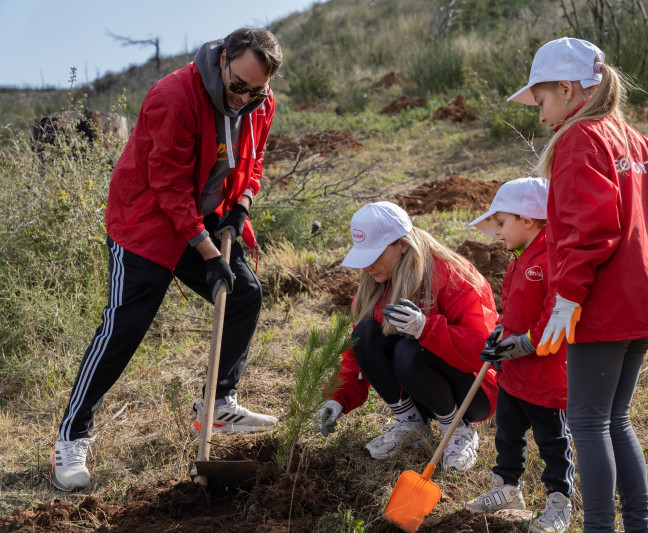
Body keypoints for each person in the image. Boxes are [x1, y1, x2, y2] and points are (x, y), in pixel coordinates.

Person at [52, 28, 283, 491]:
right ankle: (71, 437)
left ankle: (217, 404)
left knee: (244, 295)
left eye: (256, 90)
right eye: (239, 86)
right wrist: (207, 251)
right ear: (223, 60)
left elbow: (252, 162)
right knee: (125, 327)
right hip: (147, 223)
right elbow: (168, 185)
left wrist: (241, 208)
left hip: (203, 214)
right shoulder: (173, 96)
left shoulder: (260, 99)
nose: (245, 99)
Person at [508, 38, 648, 531]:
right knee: (616, 419)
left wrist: (566, 298)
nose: (540, 113)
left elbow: (586, 231)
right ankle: (639, 525)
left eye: (543, 99)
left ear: (568, 90)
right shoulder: (636, 140)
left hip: (602, 306)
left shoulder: (580, 140)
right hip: (645, 306)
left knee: (589, 423)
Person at [314, 201, 499, 471]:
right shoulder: (374, 286)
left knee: (408, 350)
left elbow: (482, 351)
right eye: (363, 256)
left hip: (472, 393)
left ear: (402, 243)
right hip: (419, 390)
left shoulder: (454, 275)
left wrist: (427, 329)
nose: (367, 266)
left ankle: (458, 430)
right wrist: (337, 398)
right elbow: (357, 355)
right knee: (365, 333)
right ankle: (411, 423)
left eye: (375, 255)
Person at [465, 178, 574, 533]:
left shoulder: (553, 259)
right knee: (507, 433)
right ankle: (507, 488)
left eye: (501, 222)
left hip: (546, 377)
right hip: (513, 375)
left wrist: (523, 344)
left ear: (528, 219)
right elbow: (511, 310)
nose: (496, 232)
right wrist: (499, 332)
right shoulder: (518, 259)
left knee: (552, 441)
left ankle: (559, 502)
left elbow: (555, 317)